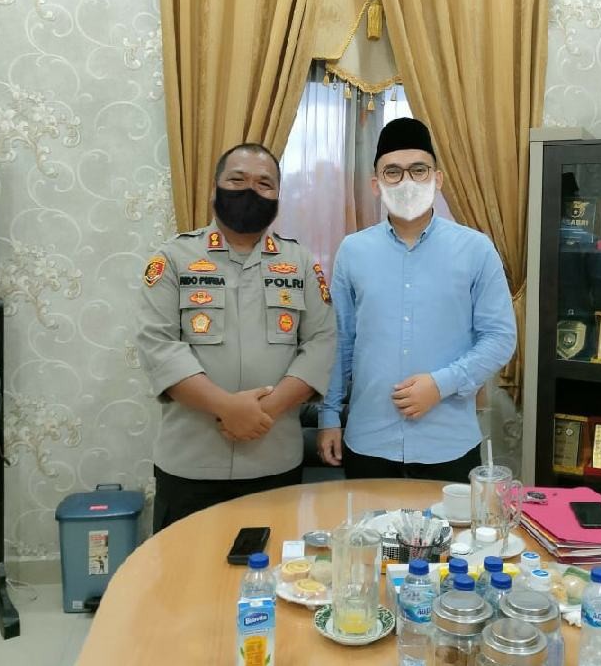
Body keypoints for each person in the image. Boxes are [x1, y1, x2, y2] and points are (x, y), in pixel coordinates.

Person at [137, 143, 336, 531]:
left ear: (278, 196)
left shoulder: (300, 263)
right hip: (191, 463)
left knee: (271, 564)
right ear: (215, 189)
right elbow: (158, 345)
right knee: (186, 567)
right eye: (238, 179)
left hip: (274, 459)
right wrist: (227, 408)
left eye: (265, 183)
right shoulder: (173, 258)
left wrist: (266, 411)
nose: (251, 190)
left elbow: (321, 342)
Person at [317, 118, 517, 481]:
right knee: (368, 521)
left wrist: (441, 384)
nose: (406, 181)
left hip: (448, 442)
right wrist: (329, 415)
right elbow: (340, 340)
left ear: (437, 179)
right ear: (376, 184)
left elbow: (500, 337)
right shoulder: (353, 250)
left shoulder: (476, 249)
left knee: (452, 522)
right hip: (369, 441)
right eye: (393, 172)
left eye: (418, 170)